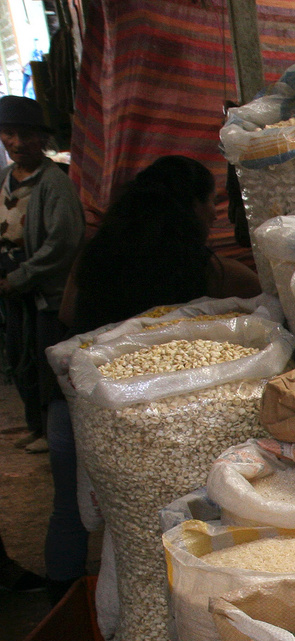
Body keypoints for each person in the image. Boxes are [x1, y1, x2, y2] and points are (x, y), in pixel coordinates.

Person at [0, 95, 83, 597]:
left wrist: (24, 276)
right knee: (23, 360)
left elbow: (63, 243)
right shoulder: (9, 181)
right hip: (16, 290)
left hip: (45, 297)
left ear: (42, 139)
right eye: (6, 134)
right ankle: (39, 421)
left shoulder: (55, 185)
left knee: (46, 359)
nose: (13, 142)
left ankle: (49, 422)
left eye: (22, 134)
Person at [61, 154, 259, 334]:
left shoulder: (92, 253)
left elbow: (67, 314)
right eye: (211, 201)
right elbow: (262, 297)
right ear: (194, 206)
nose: (215, 214)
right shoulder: (210, 271)